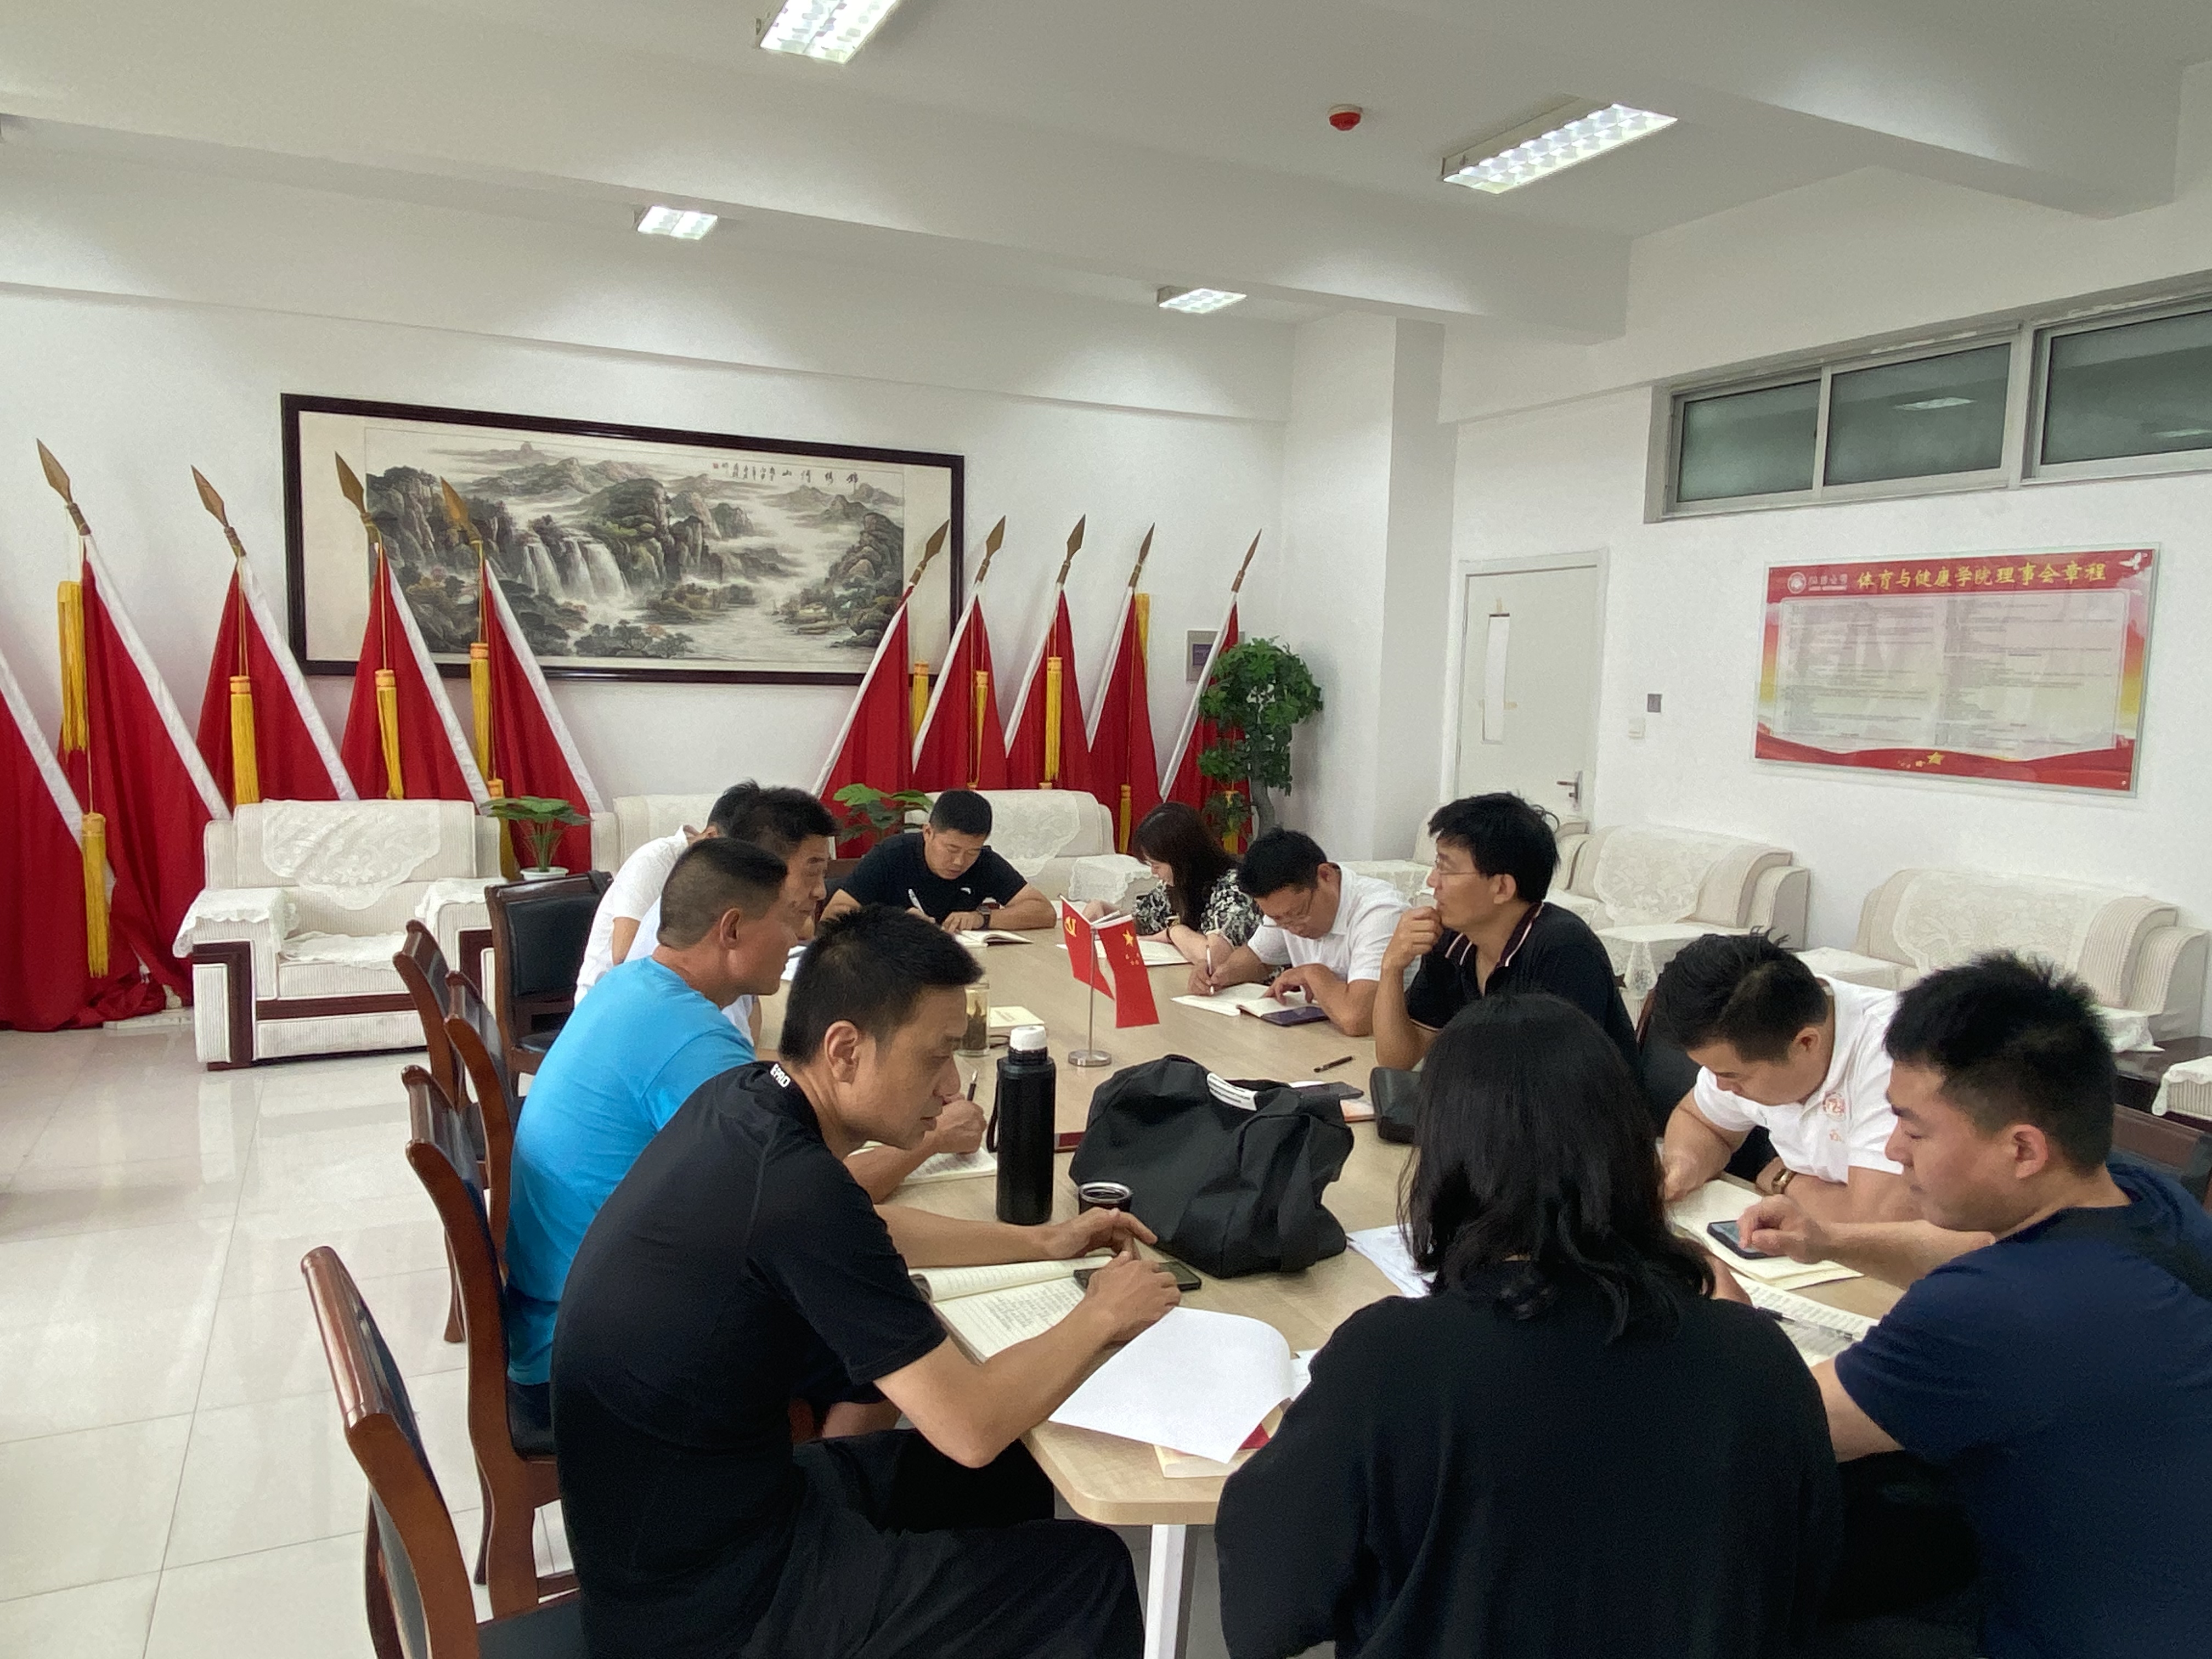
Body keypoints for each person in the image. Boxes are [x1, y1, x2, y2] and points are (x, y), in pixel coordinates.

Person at [553, 906, 1181, 1659]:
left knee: (1009, 1478)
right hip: (708, 1605)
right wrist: (1102, 1313)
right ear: (846, 1050)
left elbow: (862, 1226)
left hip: (688, 1521)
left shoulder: (747, 1100)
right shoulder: (796, 1189)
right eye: (935, 1057)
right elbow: (971, 1426)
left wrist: (1040, 1242)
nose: (950, 1088)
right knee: (1089, 1571)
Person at [1216, 994, 1838, 1659]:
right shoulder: (1757, 1358)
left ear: (1445, 1159)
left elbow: (1263, 1615)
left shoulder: (1392, 1362)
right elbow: (1804, 1591)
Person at [1740, 953, 2212, 1659]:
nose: (1893, 1149)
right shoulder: (2146, 1197)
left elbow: (1770, 1428)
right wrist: (1831, 1241)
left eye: (1914, 1130)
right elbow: (1977, 1248)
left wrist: (1726, 1319)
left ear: (2022, 1149)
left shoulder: (1993, 1312)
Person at [504, 838, 802, 1436]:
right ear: (732, 929)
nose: (799, 936)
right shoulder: (692, 1037)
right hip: (591, 1356)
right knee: (859, 1335)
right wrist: (920, 1144)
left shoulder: (633, 984)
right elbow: (797, 1197)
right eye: (789, 919)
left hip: (553, 1319)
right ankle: (788, 1486)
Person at [616, 782, 984, 1197]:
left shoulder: (652, 976)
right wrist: (933, 1136)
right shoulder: (694, 1041)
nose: (818, 896)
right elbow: (808, 1195)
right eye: (811, 872)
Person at [1650, 933, 1922, 1225]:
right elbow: (1700, 1121)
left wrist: (1785, 1179)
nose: (1720, 1086)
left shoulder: (1897, 1053)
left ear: (1805, 1043)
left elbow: (1880, 1222)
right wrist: (1683, 1165)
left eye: (1731, 1075)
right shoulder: (1753, 1027)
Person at [1370, 793, 1638, 1077]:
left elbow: (1557, 1084)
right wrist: (1391, 967)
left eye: (1446, 868)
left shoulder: (1564, 950)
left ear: (1502, 888)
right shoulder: (1453, 939)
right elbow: (1397, 1061)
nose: (1432, 881)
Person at [1195, 828, 1407, 1035]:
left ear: (1326, 876)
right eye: (1278, 920)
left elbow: (1358, 1019)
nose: (1294, 928)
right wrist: (1218, 975)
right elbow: (1258, 958)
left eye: (1299, 914)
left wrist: (1313, 973)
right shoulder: (1286, 907)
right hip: (1325, 1035)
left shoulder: (1380, 913)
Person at [574, 781, 748, 998]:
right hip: (615, 998)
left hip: (672, 992)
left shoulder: (722, 875)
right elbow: (625, 956)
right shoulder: (655, 860)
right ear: (712, 837)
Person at [821, 788, 1055, 932]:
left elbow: (1044, 911)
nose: (959, 862)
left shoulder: (984, 862)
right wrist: (892, 922)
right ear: (928, 832)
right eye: (951, 849)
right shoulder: (892, 854)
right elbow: (833, 915)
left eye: (972, 852)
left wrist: (981, 919)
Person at [1084, 800, 1260, 966]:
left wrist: (1174, 932)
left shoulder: (1234, 888)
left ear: (1181, 860)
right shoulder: (1175, 885)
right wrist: (1106, 911)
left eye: (1156, 865)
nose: (1154, 873)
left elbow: (1214, 958)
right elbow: (1145, 922)